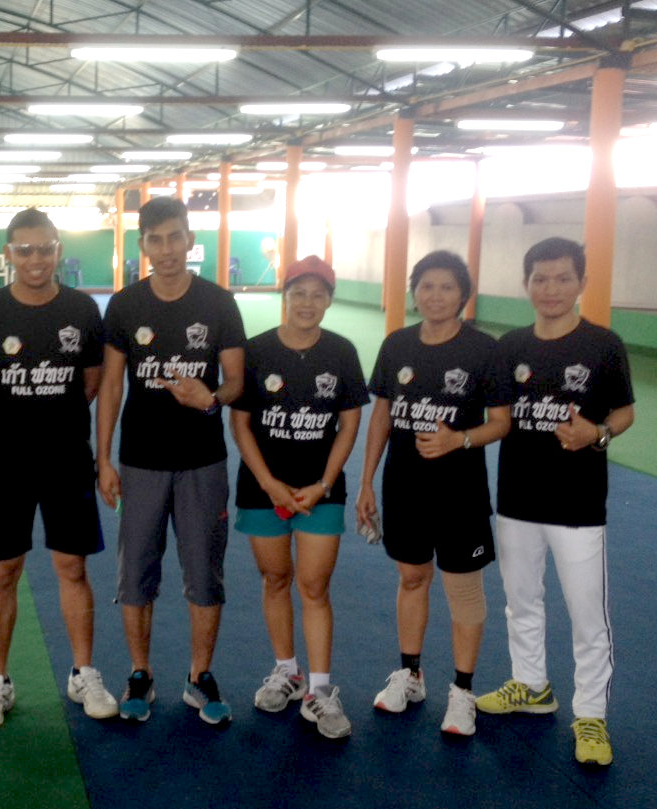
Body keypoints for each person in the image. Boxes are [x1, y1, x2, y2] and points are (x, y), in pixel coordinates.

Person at [476, 237, 633, 766]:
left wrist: (598, 434)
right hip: (517, 498)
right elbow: (496, 415)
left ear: (582, 283)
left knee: (587, 613)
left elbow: (625, 413)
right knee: (520, 601)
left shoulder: (604, 345)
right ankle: (532, 685)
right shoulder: (509, 346)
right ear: (526, 286)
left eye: (563, 278)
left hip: (579, 504)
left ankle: (590, 714)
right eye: (540, 279)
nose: (551, 289)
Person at [0, 208, 115, 731]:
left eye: (45, 248)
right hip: (5, 462)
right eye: (24, 249)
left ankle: (83, 672)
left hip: (67, 458)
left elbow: (91, 383)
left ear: (58, 251)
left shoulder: (82, 309)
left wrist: (50, 419)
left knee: (72, 568)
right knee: (3, 572)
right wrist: (10, 424)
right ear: (8, 253)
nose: (35, 258)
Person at [97, 196, 246, 725]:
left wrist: (210, 398)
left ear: (189, 239)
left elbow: (236, 382)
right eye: (155, 240)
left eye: (175, 237)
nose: (166, 249)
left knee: (205, 573)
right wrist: (104, 459)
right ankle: (141, 672)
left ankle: (199, 676)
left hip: (203, 461)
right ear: (143, 246)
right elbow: (111, 385)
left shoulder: (218, 303)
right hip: (139, 461)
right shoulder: (124, 305)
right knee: (135, 572)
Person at [357, 250, 511, 737]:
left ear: (463, 295)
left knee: (463, 587)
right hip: (403, 486)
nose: (436, 296)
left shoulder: (485, 350)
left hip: (460, 491)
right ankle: (411, 674)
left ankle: (463, 692)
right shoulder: (397, 343)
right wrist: (366, 481)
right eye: (426, 286)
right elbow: (381, 414)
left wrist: (457, 440)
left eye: (447, 287)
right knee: (411, 578)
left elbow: (501, 422)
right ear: (414, 290)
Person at [230, 256, 368, 739]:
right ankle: (286, 671)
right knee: (275, 579)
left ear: (329, 299)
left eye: (318, 294)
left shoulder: (342, 352)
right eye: (299, 293)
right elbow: (242, 421)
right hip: (262, 488)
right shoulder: (256, 351)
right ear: (284, 296)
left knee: (313, 586)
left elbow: (349, 424)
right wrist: (268, 482)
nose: (308, 303)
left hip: (319, 492)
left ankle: (320, 689)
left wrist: (325, 483)